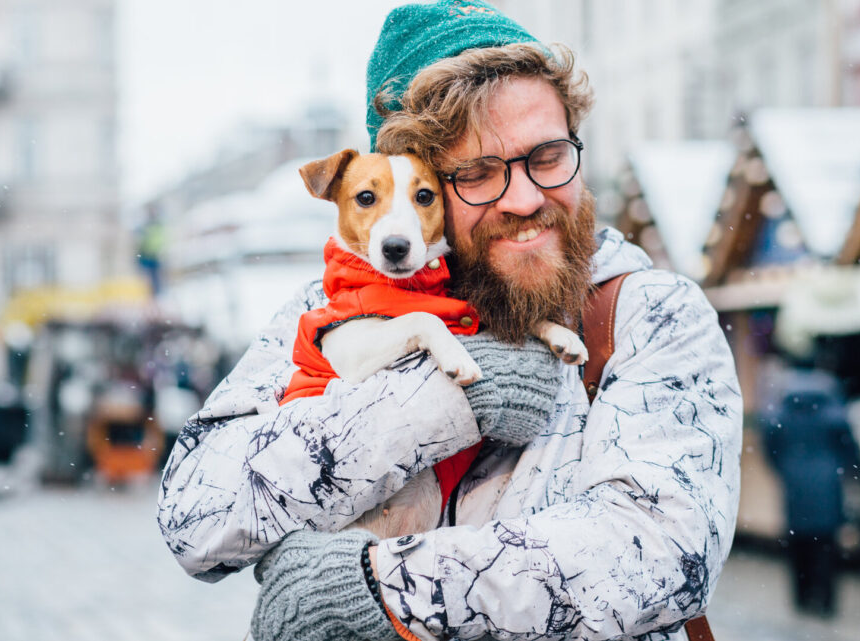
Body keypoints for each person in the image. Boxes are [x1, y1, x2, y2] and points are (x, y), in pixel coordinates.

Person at [157, 2, 742, 640]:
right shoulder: (325, 307)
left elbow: (657, 556)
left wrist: (382, 589)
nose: (525, 199)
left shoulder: (648, 314)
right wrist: (438, 400)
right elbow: (197, 517)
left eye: (546, 156)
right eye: (480, 174)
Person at [759, 365, 859, 618]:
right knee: (825, 544)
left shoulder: (782, 411)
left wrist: (784, 469)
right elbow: (850, 448)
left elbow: (770, 445)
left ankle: (802, 599)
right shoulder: (832, 410)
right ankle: (825, 602)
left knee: (798, 543)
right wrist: (845, 469)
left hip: (794, 484)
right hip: (828, 483)